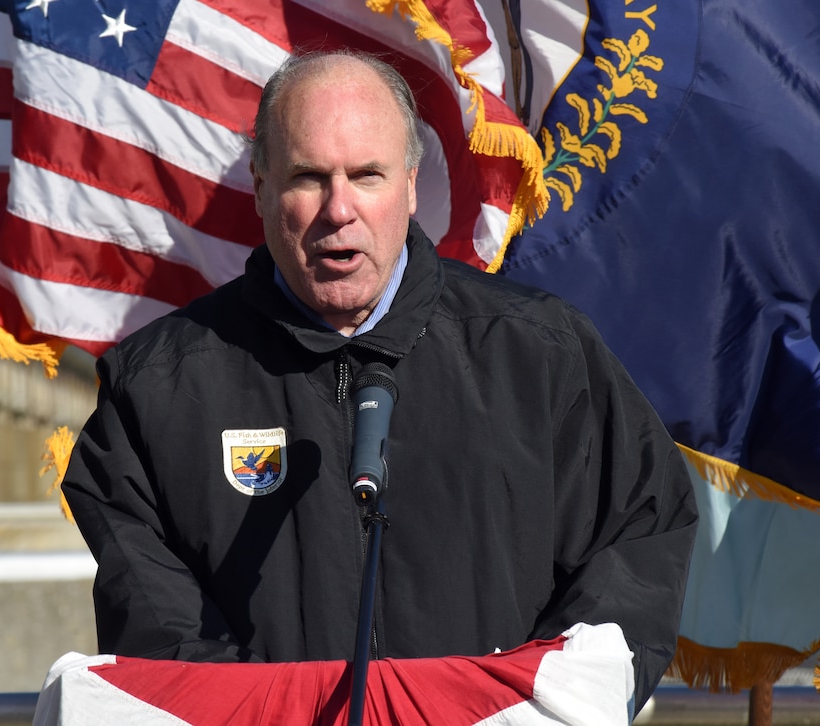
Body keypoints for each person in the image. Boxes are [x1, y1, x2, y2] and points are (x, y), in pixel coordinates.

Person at [61, 49, 698, 716]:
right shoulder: (156, 390)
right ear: (260, 184)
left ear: (413, 183)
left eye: (367, 175)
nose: (340, 210)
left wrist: (520, 706)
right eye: (309, 177)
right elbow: (160, 636)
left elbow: (637, 540)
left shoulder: (540, 355)